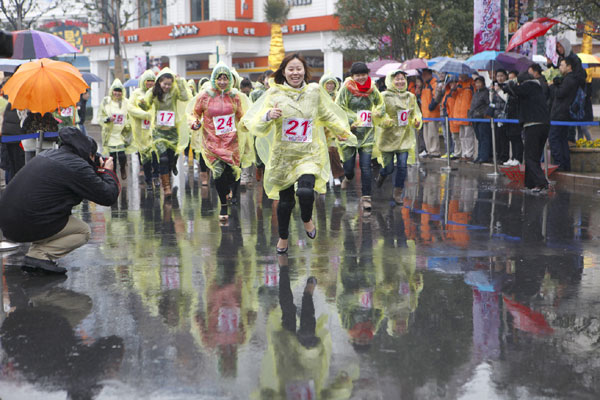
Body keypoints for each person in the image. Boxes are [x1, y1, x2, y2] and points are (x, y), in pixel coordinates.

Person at [240, 53, 355, 254]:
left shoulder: (314, 91)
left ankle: (306, 218)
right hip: (283, 156)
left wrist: (341, 131)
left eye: (298, 69)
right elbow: (256, 123)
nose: (295, 73)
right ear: (283, 72)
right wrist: (268, 115)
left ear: (305, 71)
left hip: (309, 153)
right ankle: (283, 237)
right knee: (285, 203)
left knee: (305, 191)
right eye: (291, 69)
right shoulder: (274, 94)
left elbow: (327, 114)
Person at [0, 127, 120, 273]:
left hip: (8, 222)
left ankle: (36, 252)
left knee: (57, 214)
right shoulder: (77, 166)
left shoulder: (50, 155)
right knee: (83, 231)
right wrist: (107, 171)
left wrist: (94, 167)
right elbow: (108, 196)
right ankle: (39, 255)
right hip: (24, 224)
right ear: (89, 154)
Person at [192, 62, 252, 224]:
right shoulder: (204, 96)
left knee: (232, 173)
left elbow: (242, 115)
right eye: (220, 78)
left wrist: (247, 123)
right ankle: (223, 204)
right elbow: (195, 114)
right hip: (212, 142)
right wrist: (194, 123)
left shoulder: (235, 96)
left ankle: (231, 192)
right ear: (214, 79)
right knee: (218, 173)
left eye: (226, 78)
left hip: (232, 142)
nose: (223, 82)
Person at [336, 62, 385, 210]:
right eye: (358, 75)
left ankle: (366, 198)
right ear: (352, 76)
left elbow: (380, 104)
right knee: (349, 168)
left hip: (367, 133)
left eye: (363, 74)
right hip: (349, 132)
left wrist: (377, 112)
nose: (361, 78)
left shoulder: (372, 88)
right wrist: (352, 121)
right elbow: (339, 108)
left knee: (366, 167)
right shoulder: (346, 89)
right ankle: (348, 177)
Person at [138, 68, 191, 197]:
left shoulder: (174, 91)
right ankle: (166, 187)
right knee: (163, 158)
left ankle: (172, 166)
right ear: (159, 82)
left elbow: (185, 97)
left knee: (170, 158)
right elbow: (147, 105)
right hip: (159, 132)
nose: (167, 87)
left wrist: (179, 82)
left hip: (172, 131)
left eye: (169, 84)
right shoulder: (153, 92)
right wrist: (142, 104)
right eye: (164, 84)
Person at [375, 69, 422, 204]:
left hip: (404, 137)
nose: (400, 81)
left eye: (402, 79)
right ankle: (383, 174)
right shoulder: (383, 96)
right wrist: (384, 120)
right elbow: (378, 113)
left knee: (402, 166)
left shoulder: (410, 97)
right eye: (397, 79)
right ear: (391, 81)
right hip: (388, 137)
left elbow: (415, 114)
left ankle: (398, 192)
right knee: (389, 167)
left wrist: (416, 121)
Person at [505, 71, 550, 192]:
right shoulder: (537, 88)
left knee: (530, 157)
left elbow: (516, 90)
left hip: (533, 125)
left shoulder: (529, 86)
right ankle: (530, 184)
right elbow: (517, 93)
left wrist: (509, 85)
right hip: (544, 125)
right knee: (533, 156)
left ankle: (542, 183)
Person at [128, 70, 160, 189]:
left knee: (155, 153)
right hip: (141, 129)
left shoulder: (157, 93)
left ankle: (156, 176)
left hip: (154, 129)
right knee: (145, 156)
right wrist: (144, 115)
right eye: (148, 81)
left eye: (152, 81)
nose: (150, 83)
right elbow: (130, 108)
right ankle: (148, 180)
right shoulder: (136, 93)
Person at [549, 58, 579, 171]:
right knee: (562, 139)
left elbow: (559, 94)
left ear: (569, 67)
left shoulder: (569, 80)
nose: (560, 68)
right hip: (562, 114)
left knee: (554, 138)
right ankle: (565, 165)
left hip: (560, 114)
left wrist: (553, 86)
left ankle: (559, 164)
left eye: (562, 65)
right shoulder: (568, 79)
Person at [99, 79, 131, 181]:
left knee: (122, 155)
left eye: (119, 91)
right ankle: (113, 176)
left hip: (121, 133)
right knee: (112, 157)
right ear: (112, 91)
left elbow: (130, 116)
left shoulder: (126, 102)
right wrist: (107, 119)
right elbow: (100, 116)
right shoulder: (106, 101)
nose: (117, 93)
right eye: (115, 91)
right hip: (110, 134)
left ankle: (122, 168)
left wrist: (128, 125)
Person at [319, 72, 345, 188]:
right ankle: (322, 177)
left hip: (333, 129)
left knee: (332, 151)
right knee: (322, 154)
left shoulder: (338, 97)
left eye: (332, 84)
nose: (330, 86)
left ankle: (336, 175)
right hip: (320, 129)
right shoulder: (319, 97)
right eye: (327, 84)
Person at [468, 76, 492, 163]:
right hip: (475, 118)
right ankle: (479, 155)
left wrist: (484, 114)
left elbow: (488, 104)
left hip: (482, 118)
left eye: (479, 82)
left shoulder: (486, 92)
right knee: (479, 138)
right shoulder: (476, 93)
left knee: (484, 137)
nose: (477, 84)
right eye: (476, 83)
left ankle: (484, 156)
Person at [420, 68, 441, 157]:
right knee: (427, 135)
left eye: (425, 74)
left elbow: (436, 96)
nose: (423, 76)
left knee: (432, 135)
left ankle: (434, 151)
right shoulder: (425, 85)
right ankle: (429, 150)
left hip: (432, 114)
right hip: (425, 114)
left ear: (429, 74)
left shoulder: (434, 83)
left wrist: (433, 104)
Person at [454, 74, 475, 161]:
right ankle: (464, 153)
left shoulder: (471, 84)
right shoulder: (458, 85)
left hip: (467, 113)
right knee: (462, 135)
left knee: (468, 135)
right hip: (458, 114)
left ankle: (469, 154)